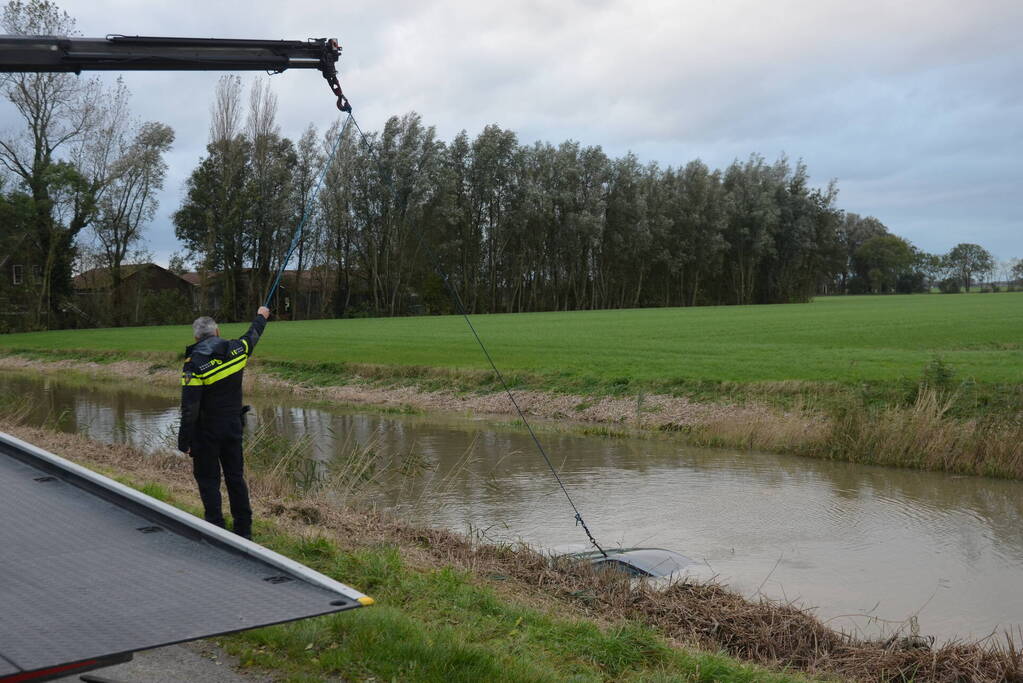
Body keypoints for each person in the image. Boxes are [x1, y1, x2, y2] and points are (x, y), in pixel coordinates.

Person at [178, 306, 270, 539]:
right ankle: (243, 530)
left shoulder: (193, 363)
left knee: (208, 480)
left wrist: (185, 441)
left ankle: (216, 529)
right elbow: (253, 335)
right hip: (232, 427)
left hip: (206, 432)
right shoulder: (237, 350)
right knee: (235, 478)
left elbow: (190, 407)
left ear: (196, 337)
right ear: (217, 332)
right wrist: (261, 315)